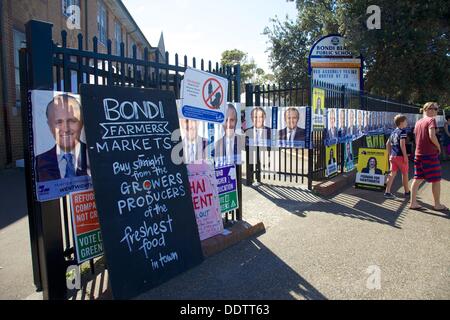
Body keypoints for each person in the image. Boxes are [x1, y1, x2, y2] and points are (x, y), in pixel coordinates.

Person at [35, 94, 88, 182]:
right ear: (49, 125)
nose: (66, 129)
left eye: (72, 121)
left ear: (82, 123)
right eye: (58, 122)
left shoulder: (95, 156)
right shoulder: (38, 161)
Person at [410, 102, 448, 211]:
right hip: (429, 155)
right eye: (435, 109)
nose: (436, 111)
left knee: (417, 179)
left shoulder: (418, 122)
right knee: (436, 180)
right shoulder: (431, 120)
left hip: (418, 155)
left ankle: (413, 203)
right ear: (428, 109)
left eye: (436, 109)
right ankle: (437, 205)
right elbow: (432, 136)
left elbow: (418, 137)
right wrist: (438, 147)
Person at [384, 114, 410, 199]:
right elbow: (402, 145)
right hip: (400, 156)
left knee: (392, 174)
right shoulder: (403, 132)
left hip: (393, 156)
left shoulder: (393, 131)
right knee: (405, 174)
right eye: (406, 121)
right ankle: (407, 192)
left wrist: (389, 154)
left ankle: (387, 192)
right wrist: (405, 156)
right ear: (402, 122)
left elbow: (387, 143)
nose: (407, 122)